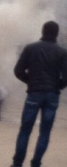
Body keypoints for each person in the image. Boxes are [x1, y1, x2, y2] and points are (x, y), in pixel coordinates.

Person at [11, 21, 67, 167]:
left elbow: (18, 71)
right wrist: (57, 86)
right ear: (56, 34)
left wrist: (31, 82)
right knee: (45, 132)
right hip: (52, 96)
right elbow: (66, 78)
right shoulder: (62, 52)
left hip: (34, 93)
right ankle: (36, 163)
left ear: (42, 32)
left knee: (25, 130)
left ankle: (17, 163)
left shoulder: (30, 49)